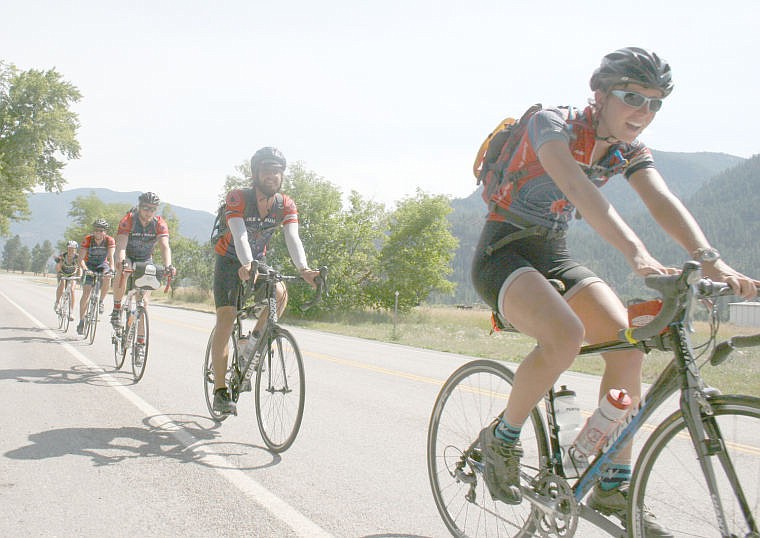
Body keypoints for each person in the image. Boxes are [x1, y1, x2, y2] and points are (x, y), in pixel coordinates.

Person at [470, 47, 759, 536]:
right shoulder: (551, 124)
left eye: (654, 104)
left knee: (628, 348)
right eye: (632, 98)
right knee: (565, 336)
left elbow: (661, 199)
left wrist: (714, 260)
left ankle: (612, 481)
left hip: (554, 252)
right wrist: (638, 257)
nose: (643, 113)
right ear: (600, 94)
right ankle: (502, 437)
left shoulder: (629, 150)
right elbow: (582, 190)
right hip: (504, 251)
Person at [210, 147, 321, 416]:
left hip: (256, 263)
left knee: (280, 292)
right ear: (256, 174)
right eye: (266, 170)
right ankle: (221, 391)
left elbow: (293, 238)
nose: (272, 175)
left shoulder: (285, 204)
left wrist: (304, 269)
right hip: (230, 260)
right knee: (227, 318)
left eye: (277, 171)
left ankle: (252, 344)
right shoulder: (238, 197)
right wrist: (246, 264)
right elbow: (240, 235)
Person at [110, 192, 176, 361]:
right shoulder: (129, 220)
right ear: (139, 207)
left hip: (146, 259)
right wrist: (122, 260)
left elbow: (164, 246)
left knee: (143, 303)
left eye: (152, 209)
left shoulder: (159, 224)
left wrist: (168, 265)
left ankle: (140, 344)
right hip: (129, 256)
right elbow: (121, 244)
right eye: (145, 208)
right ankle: (117, 309)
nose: (148, 212)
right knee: (122, 271)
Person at [76, 218, 116, 335]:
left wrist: (112, 269)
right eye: (96, 230)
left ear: (105, 232)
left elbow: (111, 257)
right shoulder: (88, 239)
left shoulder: (109, 240)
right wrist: (85, 269)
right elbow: (81, 258)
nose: (98, 233)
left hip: (102, 264)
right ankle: (82, 320)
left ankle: (101, 301)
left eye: (101, 230)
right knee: (86, 292)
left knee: (107, 276)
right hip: (89, 265)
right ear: (94, 231)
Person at [54, 240, 81, 318]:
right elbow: (58, 265)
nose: (70, 251)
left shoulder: (77, 257)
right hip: (63, 273)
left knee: (72, 290)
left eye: (73, 249)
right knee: (62, 284)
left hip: (73, 275)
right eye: (69, 249)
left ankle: (71, 312)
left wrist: (80, 275)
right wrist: (59, 272)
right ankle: (57, 302)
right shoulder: (63, 256)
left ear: (76, 250)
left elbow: (80, 268)